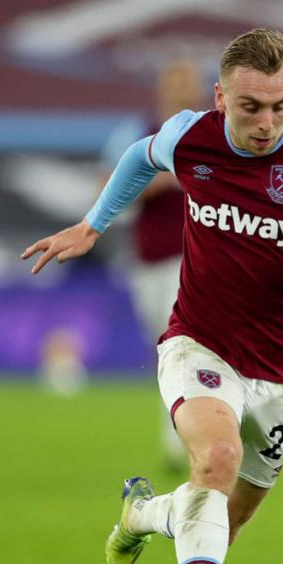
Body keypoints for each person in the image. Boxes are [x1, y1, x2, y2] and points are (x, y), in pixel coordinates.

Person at [22, 28, 283, 564]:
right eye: (250, 107)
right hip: (200, 342)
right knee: (219, 458)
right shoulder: (190, 136)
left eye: (280, 107)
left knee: (224, 521)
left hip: (282, 370)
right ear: (220, 98)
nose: (266, 123)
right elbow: (138, 157)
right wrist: (93, 225)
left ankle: (144, 514)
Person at [99, 60, 206, 471]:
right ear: (162, 89)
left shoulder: (213, 131)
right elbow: (106, 188)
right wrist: (162, 176)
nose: (181, 91)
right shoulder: (139, 133)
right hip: (152, 259)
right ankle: (184, 430)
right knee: (165, 348)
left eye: (188, 83)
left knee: (186, 346)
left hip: (201, 258)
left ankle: (182, 440)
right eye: (175, 83)